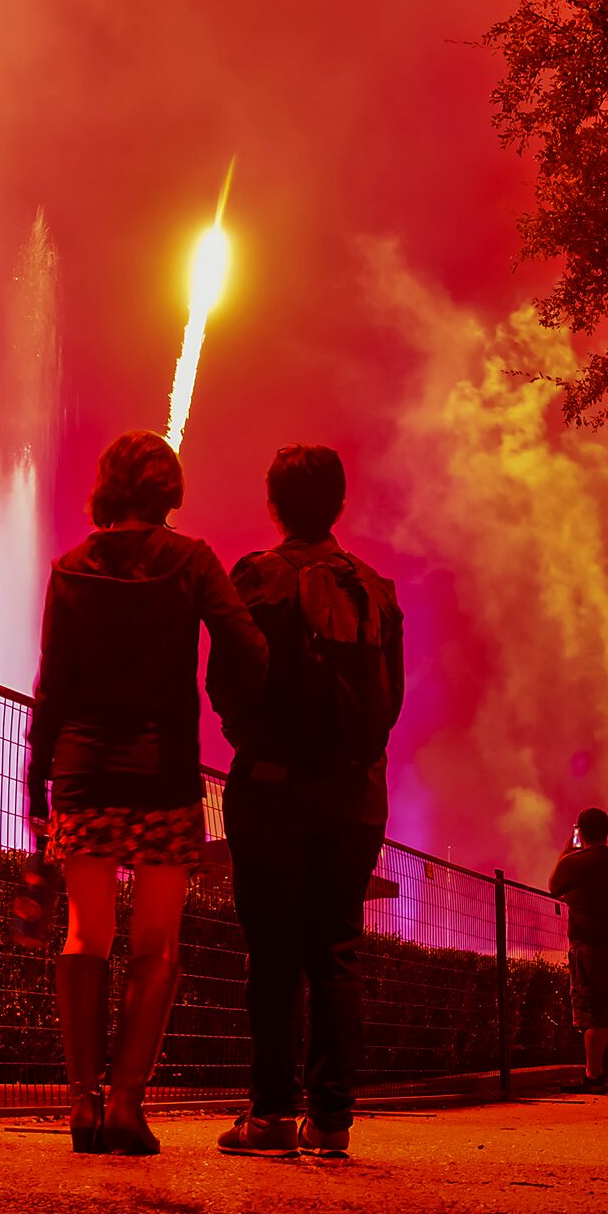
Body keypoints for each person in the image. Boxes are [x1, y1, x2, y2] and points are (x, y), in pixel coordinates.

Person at [31, 432, 265, 1154]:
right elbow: (247, 648)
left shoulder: (70, 567)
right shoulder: (191, 561)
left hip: (82, 772)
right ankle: (127, 1105)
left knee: (83, 933)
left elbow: (52, 685)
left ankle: (80, 1103)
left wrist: (36, 783)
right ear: (167, 488)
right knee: (157, 942)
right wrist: (234, 712)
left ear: (107, 486)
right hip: (163, 774)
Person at [216, 445, 405, 1163]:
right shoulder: (376, 589)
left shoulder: (258, 577)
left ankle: (267, 1116)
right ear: (338, 504)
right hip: (356, 797)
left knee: (272, 955)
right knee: (336, 951)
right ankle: (330, 1121)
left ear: (274, 504)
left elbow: (226, 682)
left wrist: (255, 743)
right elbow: (393, 697)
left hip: (271, 789)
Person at [550, 809, 608, 1092]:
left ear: (582, 832)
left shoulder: (573, 863)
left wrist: (565, 853)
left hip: (589, 947)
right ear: (607, 830)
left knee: (594, 1012)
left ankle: (593, 1075)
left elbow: (554, 887)